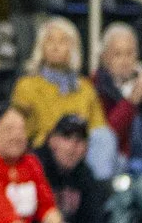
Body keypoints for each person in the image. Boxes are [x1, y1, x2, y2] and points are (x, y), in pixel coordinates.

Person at [10, 18, 114, 177]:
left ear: (73, 48)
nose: (56, 46)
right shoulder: (26, 85)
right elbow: (21, 130)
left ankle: (99, 191)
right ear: (41, 47)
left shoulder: (86, 87)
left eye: (63, 41)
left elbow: (98, 129)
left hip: (80, 153)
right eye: (50, 40)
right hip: (46, 152)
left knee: (105, 137)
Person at [93, 21, 142, 163]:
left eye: (130, 53)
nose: (125, 61)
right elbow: (106, 136)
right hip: (115, 160)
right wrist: (133, 99)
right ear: (104, 57)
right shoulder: (94, 86)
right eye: (118, 54)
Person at [37, 113, 113, 223]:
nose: (72, 147)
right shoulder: (35, 167)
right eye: (66, 137)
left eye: (79, 140)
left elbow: (93, 221)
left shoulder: (85, 175)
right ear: (52, 140)